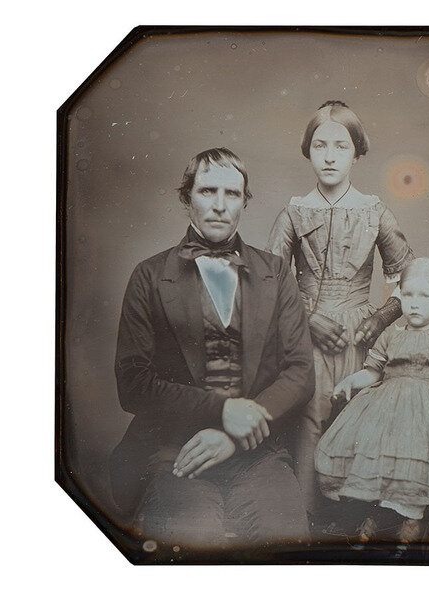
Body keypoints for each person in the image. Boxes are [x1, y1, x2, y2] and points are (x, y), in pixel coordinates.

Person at [109, 148, 314, 550]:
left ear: (243, 201)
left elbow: (300, 372)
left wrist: (234, 434)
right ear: (187, 198)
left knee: (287, 543)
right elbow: (133, 384)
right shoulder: (149, 275)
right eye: (207, 191)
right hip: (175, 451)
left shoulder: (275, 272)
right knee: (194, 545)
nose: (220, 205)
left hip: (256, 451)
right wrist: (222, 410)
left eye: (232, 193)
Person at [266, 101, 415, 527]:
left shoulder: (374, 211)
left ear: (356, 153)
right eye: (320, 146)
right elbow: (270, 280)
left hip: (359, 335)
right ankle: (306, 518)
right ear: (308, 151)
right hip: (304, 333)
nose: (329, 157)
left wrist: (381, 317)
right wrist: (308, 317)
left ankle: (352, 518)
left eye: (341, 146)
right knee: (311, 415)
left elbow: (410, 276)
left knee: (357, 415)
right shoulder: (294, 212)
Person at [315, 258, 429, 544]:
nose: (414, 304)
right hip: (386, 410)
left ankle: (411, 520)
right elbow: (372, 372)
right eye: (408, 295)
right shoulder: (390, 335)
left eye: (424, 296)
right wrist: (350, 381)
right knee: (380, 461)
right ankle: (379, 516)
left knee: (416, 463)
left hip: (424, 412)